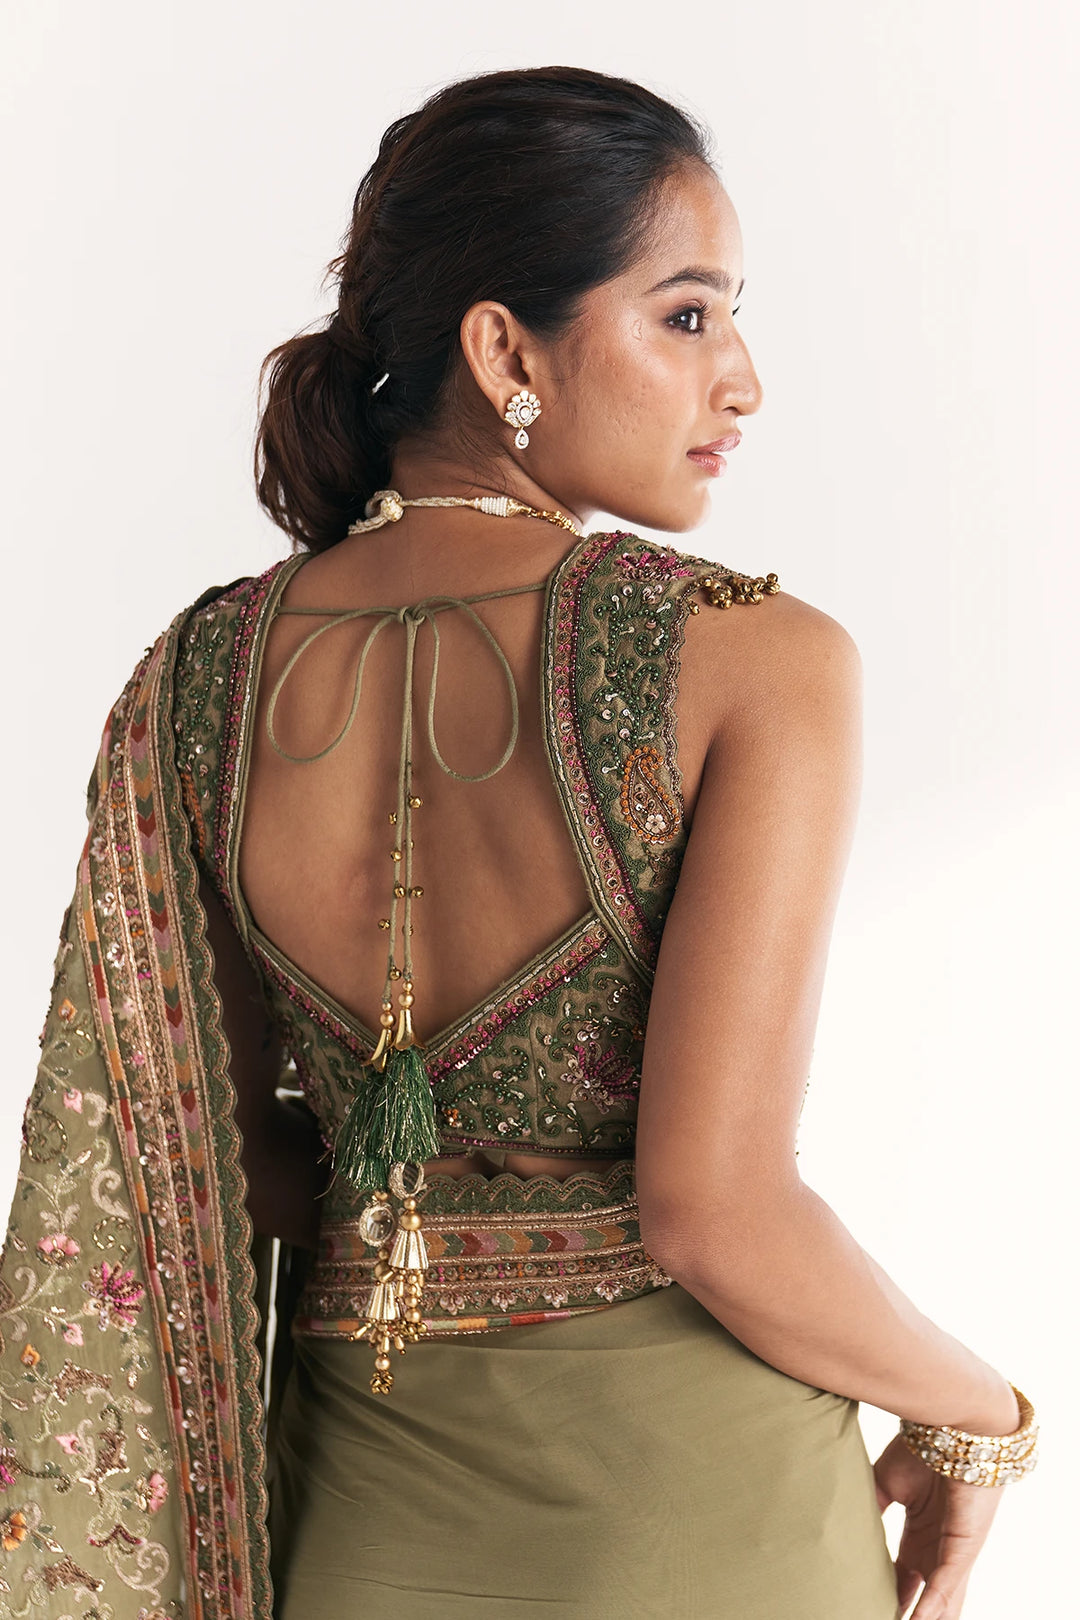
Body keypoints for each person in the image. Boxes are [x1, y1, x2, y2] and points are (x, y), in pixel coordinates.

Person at [0, 65, 1037, 1620]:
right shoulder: (755, 659)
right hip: (699, 1514)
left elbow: (234, 1179)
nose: (740, 380)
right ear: (505, 350)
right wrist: (985, 1417)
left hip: (354, 1517)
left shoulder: (198, 679)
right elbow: (716, 1210)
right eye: (688, 315)